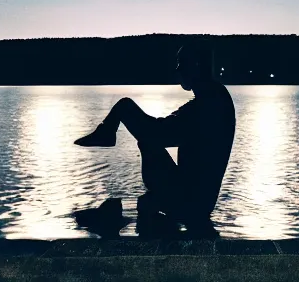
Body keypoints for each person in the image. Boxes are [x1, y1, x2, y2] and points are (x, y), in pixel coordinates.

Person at [74, 41, 236, 232]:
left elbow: (160, 133)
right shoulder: (213, 98)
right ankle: (108, 133)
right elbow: (169, 128)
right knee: (148, 144)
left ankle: (107, 132)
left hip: (193, 203)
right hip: (196, 198)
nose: (177, 69)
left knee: (145, 136)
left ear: (196, 66)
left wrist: (124, 110)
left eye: (181, 63)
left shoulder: (209, 105)